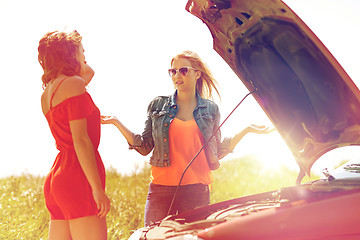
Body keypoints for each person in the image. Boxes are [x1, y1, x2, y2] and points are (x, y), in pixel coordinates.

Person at [101, 50, 270, 227]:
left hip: (196, 190)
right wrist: (116, 122)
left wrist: (246, 131)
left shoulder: (210, 109)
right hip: (161, 189)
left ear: (197, 74)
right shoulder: (158, 105)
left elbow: (215, 151)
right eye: (173, 71)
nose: (177, 76)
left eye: (183, 70)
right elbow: (144, 146)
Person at [38, 30, 110, 240]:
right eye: (81, 51)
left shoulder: (48, 93)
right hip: (78, 174)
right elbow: (80, 140)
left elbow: (89, 73)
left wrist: (77, 56)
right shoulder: (73, 84)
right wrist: (97, 189)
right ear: (69, 54)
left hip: (57, 177)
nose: (85, 55)